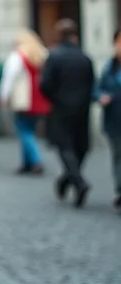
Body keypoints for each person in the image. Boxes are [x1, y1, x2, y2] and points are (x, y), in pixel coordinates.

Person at [40, 19, 94, 207]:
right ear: (75, 36)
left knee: (65, 147)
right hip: (82, 109)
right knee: (81, 146)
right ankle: (71, 179)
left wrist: (55, 98)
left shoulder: (54, 57)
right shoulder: (84, 57)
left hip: (61, 108)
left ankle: (76, 181)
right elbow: (91, 83)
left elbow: (44, 84)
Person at [0, 29, 50, 175]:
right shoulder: (42, 54)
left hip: (24, 98)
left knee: (24, 130)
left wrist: (4, 95)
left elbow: (9, 77)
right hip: (39, 97)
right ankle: (27, 163)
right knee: (29, 129)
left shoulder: (17, 57)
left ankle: (35, 160)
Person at [93, 29, 121, 211]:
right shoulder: (110, 67)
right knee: (118, 156)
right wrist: (100, 96)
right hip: (114, 119)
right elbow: (97, 88)